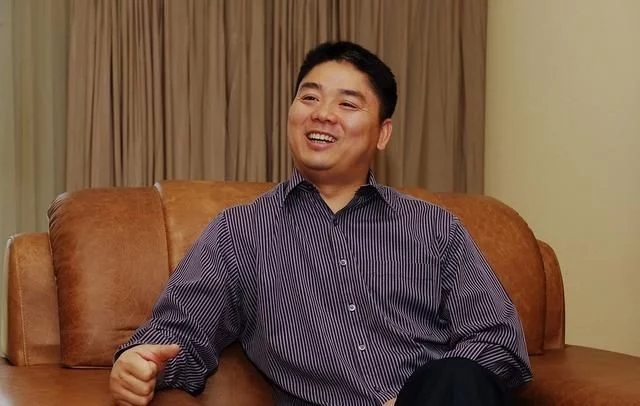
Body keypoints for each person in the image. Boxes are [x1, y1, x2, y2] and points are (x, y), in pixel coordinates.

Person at [109, 40, 533, 406]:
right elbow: (179, 335)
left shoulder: (434, 228)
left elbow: (498, 341)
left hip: (439, 396)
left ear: (382, 134)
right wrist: (140, 362)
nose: (323, 114)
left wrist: (415, 398)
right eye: (309, 97)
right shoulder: (239, 234)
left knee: (459, 377)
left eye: (347, 103)